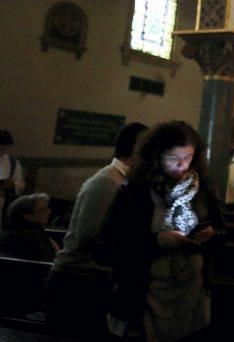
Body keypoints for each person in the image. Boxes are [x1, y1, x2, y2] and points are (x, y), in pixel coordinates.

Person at [102, 120, 224, 341]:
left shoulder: (202, 189)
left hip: (191, 295)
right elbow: (110, 245)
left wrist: (211, 234)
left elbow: (220, 230)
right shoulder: (135, 193)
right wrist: (157, 241)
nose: (182, 166)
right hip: (144, 295)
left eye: (187, 158)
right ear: (156, 156)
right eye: (174, 159)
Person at [45, 122, 148, 339]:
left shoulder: (123, 181)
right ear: (137, 149)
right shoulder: (107, 182)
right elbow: (90, 237)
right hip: (77, 283)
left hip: (91, 280)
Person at [0, 193, 59, 261]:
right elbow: (51, 263)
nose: (49, 211)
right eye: (44, 209)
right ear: (27, 215)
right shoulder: (32, 237)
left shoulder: (8, 230)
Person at [0, 129, 25, 227]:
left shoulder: (12, 163)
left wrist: (13, 184)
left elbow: (20, 184)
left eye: (4, 149)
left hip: (3, 203)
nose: (2, 151)